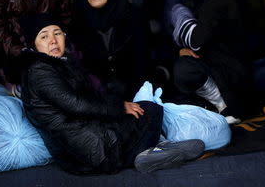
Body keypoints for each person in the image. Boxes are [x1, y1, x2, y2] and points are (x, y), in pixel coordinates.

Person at [20, 13, 204, 174]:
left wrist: (118, 106)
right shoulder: (39, 71)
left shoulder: (56, 65)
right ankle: (149, 153)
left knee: (147, 110)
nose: (53, 40)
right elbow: (77, 104)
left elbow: (88, 98)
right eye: (44, 36)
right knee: (149, 111)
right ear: (33, 44)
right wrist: (119, 107)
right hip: (88, 152)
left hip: (86, 142)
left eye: (57, 33)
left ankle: (150, 152)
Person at [171, 0, 249, 123]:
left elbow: (197, 39)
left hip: (232, 69)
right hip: (214, 60)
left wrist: (179, 13)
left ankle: (224, 104)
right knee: (181, 63)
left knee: (185, 69)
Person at [71, 0, 149, 99]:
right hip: (95, 99)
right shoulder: (78, 20)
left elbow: (143, 65)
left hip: (134, 96)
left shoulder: (134, 18)